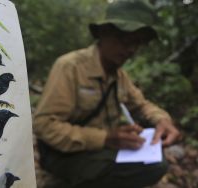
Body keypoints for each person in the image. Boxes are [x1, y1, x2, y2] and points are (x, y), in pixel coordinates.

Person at [33, 0, 181, 188]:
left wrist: (162, 121)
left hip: (100, 150)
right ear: (103, 33)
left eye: (138, 42)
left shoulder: (119, 76)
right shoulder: (70, 67)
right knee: (155, 167)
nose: (131, 49)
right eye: (125, 39)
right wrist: (105, 138)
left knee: (152, 158)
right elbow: (44, 125)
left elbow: (142, 105)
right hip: (64, 154)